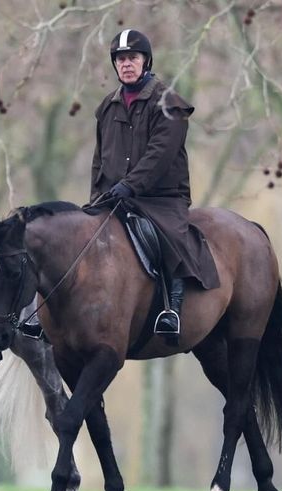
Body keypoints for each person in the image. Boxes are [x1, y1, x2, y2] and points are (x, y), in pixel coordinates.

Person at [89, 29, 220, 340]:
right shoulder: (108, 106)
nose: (126, 64)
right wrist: (96, 197)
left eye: (132, 58)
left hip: (161, 198)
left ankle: (171, 308)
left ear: (145, 61)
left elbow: (159, 156)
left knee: (168, 238)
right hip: (115, 196)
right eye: (120, 59)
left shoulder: (169, 104)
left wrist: (130, 185)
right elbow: (99, 158)